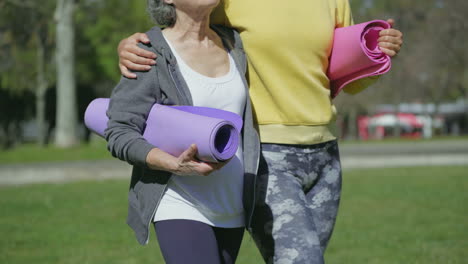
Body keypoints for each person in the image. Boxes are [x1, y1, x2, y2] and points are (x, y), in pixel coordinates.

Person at [116, 0, 404, 263]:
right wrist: (130, 46)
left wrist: (377, 53)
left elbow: (343, 76)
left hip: (325, 153)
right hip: (266, 154)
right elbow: (180, 25)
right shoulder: (225, 2)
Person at [104, 0, 260, 263]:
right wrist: (172, 164)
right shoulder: (149, 52)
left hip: (232, 206)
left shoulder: (234, 44)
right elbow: (119, 130)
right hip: (179, 201)